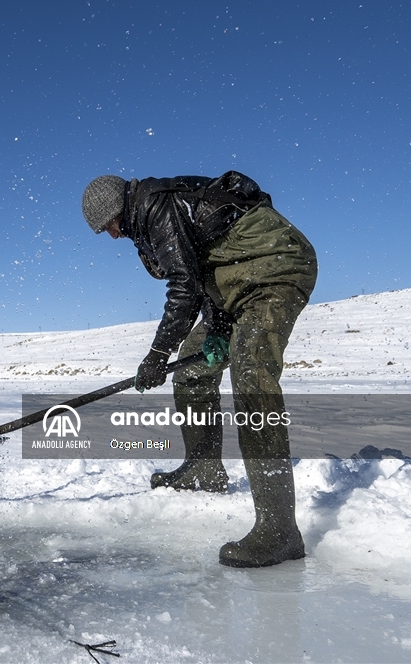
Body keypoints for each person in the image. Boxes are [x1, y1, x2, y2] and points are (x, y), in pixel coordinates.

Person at [81, 171, 317, 568]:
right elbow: (209, 268)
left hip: (275, 272)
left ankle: (280, 531)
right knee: (192, 370)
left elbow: (185, 285)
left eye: (109, 225)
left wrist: (157, 354)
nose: (112, 236)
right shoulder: (151, 218)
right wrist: (219, 326)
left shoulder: (156, 205)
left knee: (251, 380)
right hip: (235, 288)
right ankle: (204, 469)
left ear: (118, 209)